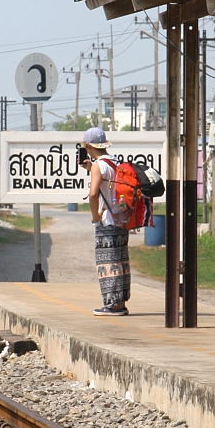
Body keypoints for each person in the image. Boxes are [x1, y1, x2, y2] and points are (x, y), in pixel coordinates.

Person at [80, 127, 131, 316]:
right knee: (121, 260)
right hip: (121, 218)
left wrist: (95, 216)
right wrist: (90, 168)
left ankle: (113, 305)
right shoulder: (116, 161)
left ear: (87, 146)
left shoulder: (98, 166)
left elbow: (93, 194)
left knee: (108, 262)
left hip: (107, 220)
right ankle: (121, 302)